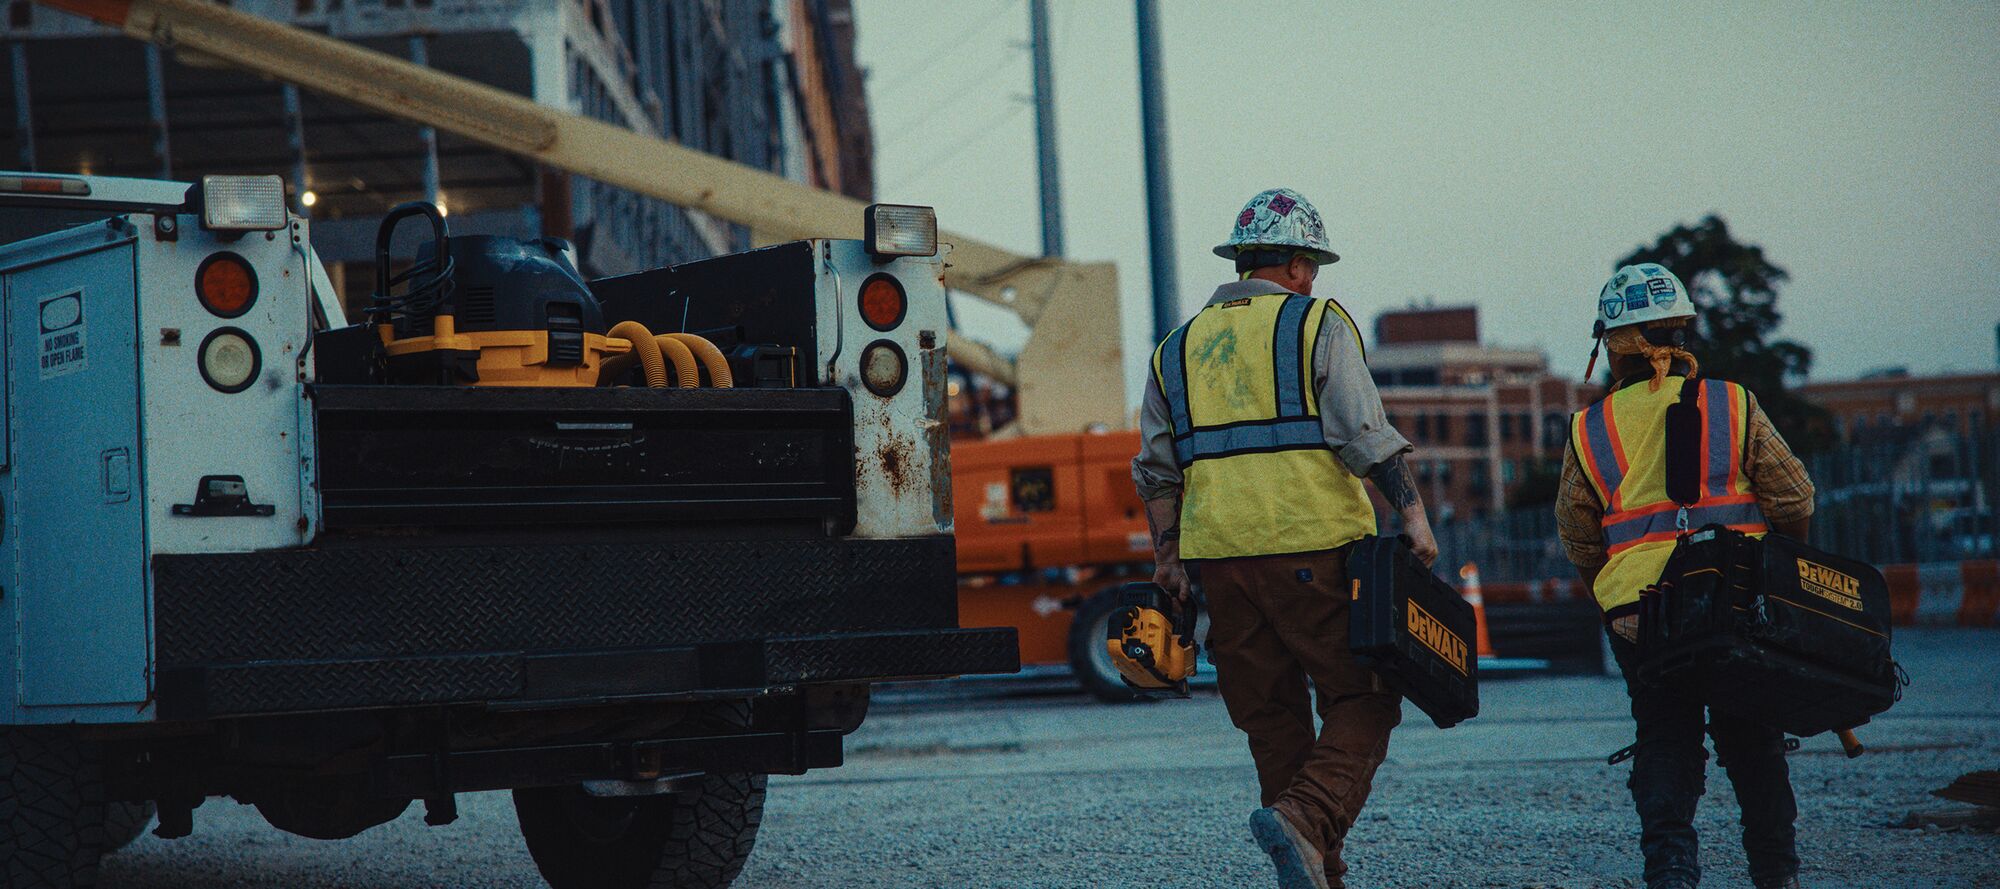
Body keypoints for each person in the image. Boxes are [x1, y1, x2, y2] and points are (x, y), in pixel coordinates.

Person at [1131, 188, 1438, 889]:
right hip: (1312, 549)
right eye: (1312, 267)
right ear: (1299, 265)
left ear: (1241, 261)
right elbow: (1365, 434)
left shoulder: (1175, 349)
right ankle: (1307, 817)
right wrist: (1414, 517)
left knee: (1272, 720)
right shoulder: (1316, 323)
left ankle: (1317, 872)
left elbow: (1154, 470)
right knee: (1365, 698)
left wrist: (1169, 560)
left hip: (1219, 565)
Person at [1556, 264, 1816, 889]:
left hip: (1639, 613)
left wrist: (1613, 593)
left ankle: (1671, 869)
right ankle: (1775, 874)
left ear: (1611, 344)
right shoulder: (1733, 404)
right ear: (1682, 329)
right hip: (1736, 599)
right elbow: (1796, 499)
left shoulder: (1589, 430)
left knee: (1665, 735)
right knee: (1752, 738)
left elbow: (1577, 533)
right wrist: (1781, 565)